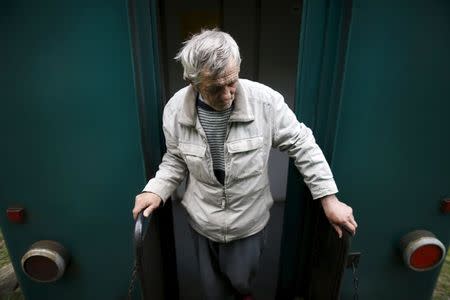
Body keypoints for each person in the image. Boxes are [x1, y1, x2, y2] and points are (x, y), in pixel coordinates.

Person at [132, 29, 357, 300]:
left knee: (241, 282)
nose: (228, 94)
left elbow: (302, 143)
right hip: (202, 220)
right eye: (216, 87)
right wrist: (155, 189)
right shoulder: (174, 110)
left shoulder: (266, 102)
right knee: (214, 291)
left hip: (249, 221)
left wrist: (328, 198)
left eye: (232, 82)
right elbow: (175, 159)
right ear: (193, 82)